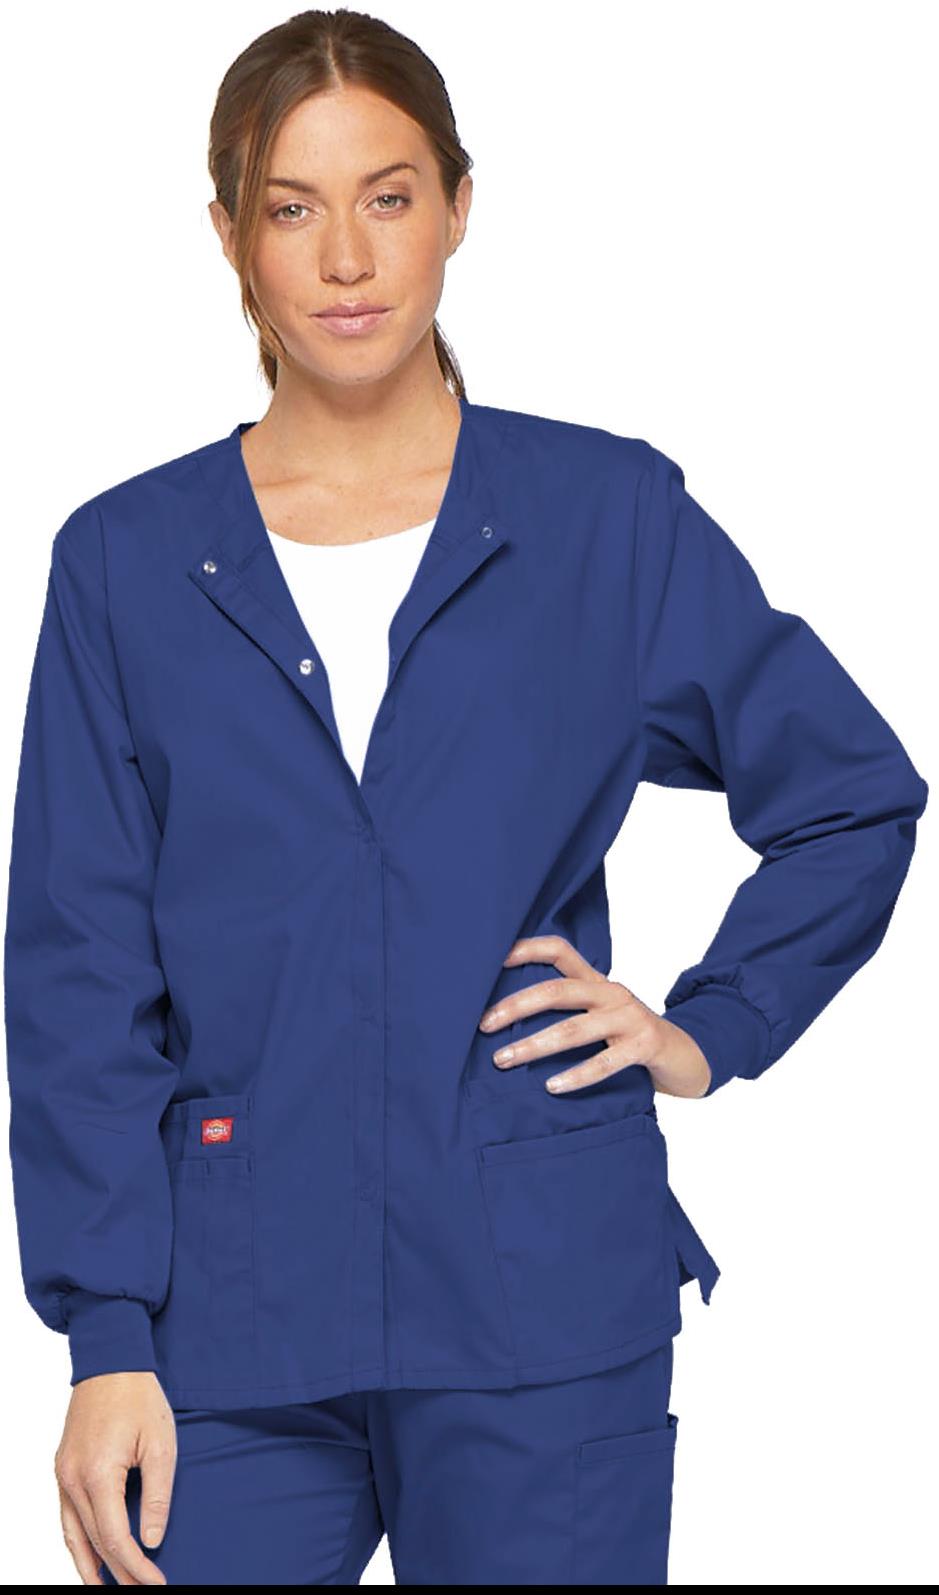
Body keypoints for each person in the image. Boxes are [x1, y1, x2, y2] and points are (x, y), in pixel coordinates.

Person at [2, 8, 928, 1588]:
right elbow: (79, 969)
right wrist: (106, 1338)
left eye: (390, 196)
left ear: (459, 207)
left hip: (540, 1299)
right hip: (227, 1320)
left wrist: (707, 1026)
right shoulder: (125, 563)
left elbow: (849, 794)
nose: (346, 258)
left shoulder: (604, 519)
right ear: (228, 235)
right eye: (292, 208)